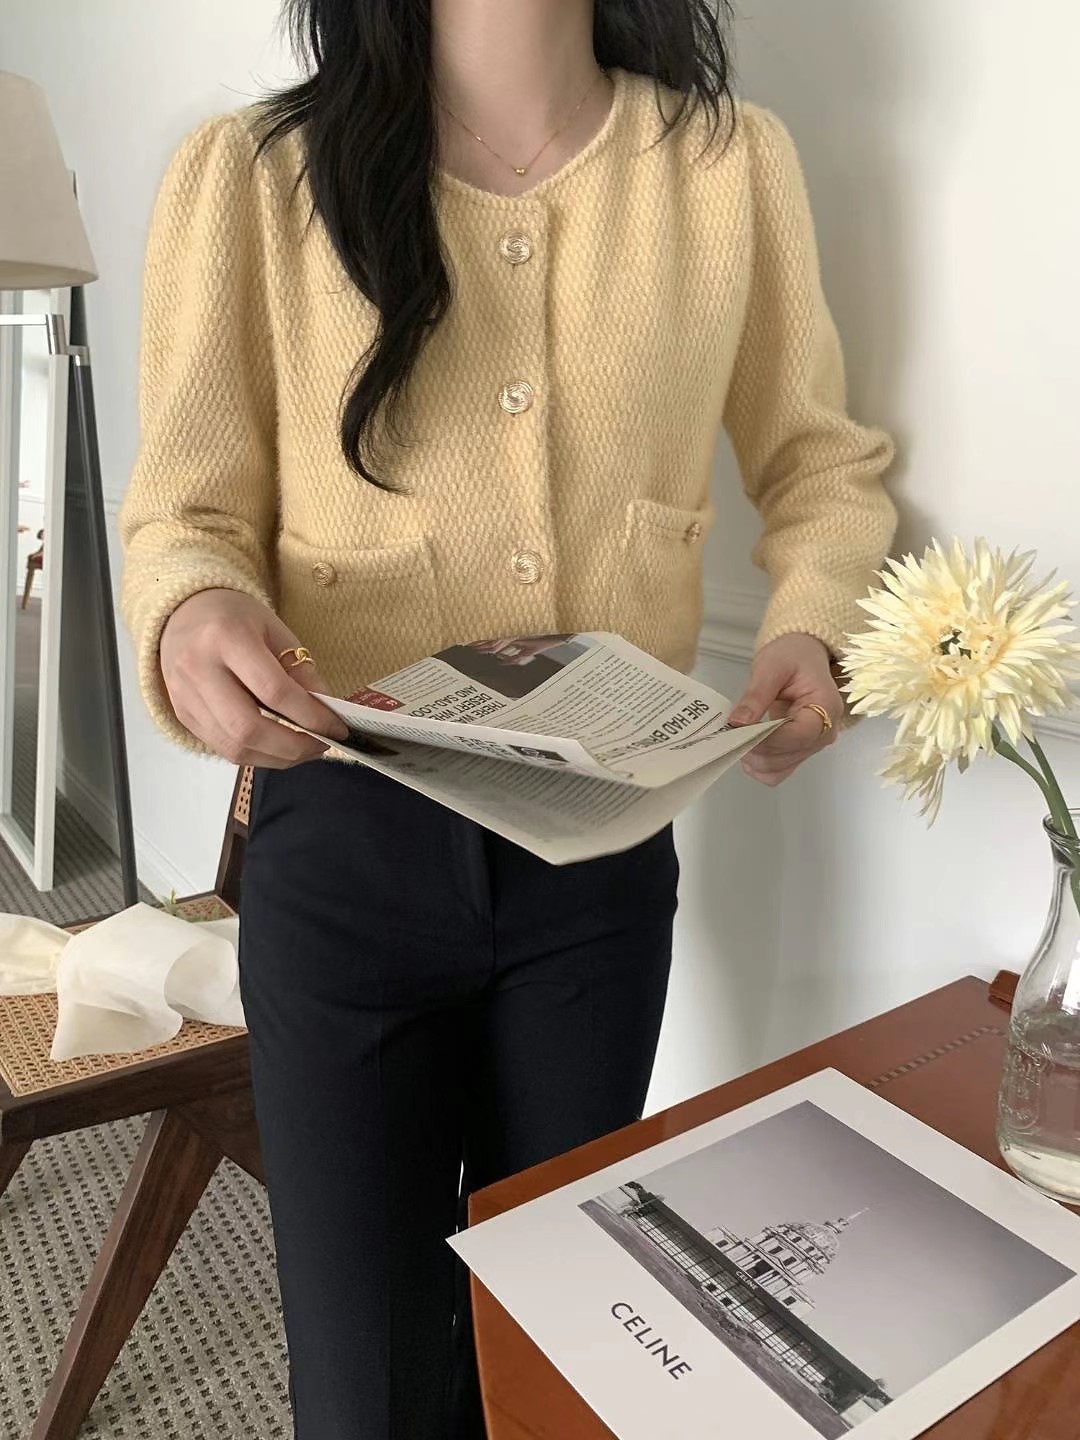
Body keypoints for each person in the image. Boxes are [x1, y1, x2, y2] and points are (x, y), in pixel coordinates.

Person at [117, 2, 897, 1436]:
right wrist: (191, 609)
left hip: (602, 855)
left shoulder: (725, 166)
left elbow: (823, 466)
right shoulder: (253, 176)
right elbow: (185, 509)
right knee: (364, 1380)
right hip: (344, 835)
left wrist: (814, 618)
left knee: (559, 1347)